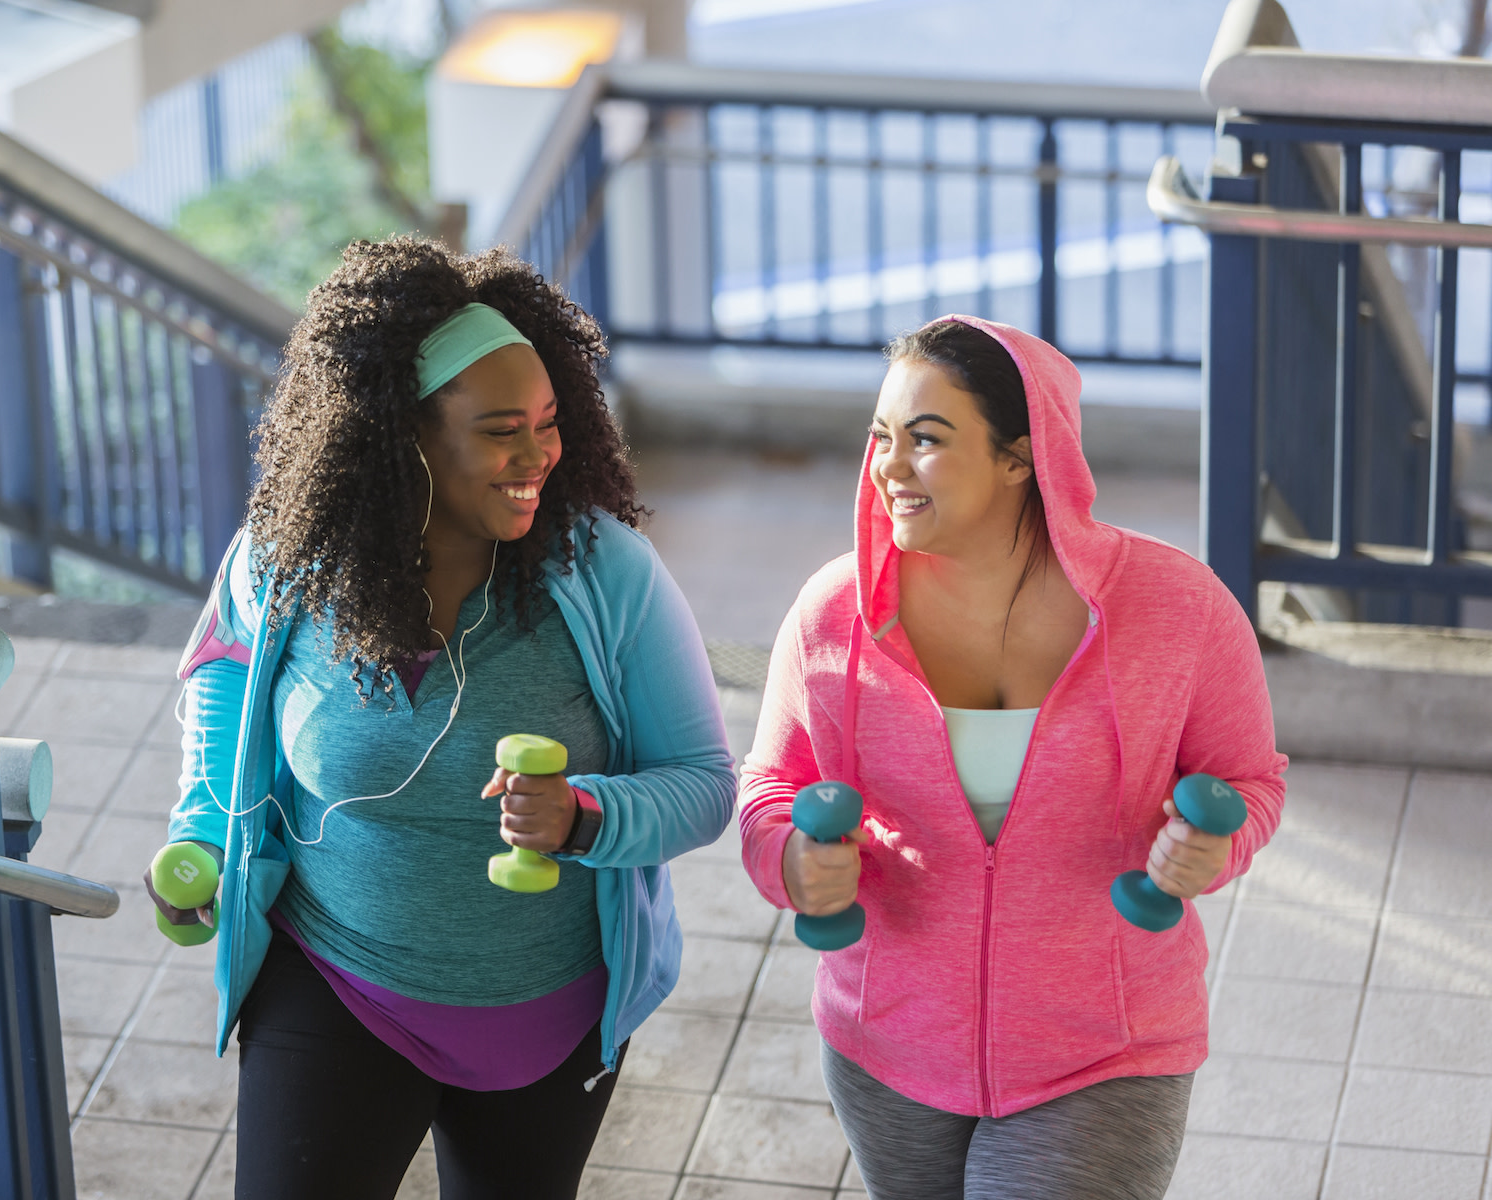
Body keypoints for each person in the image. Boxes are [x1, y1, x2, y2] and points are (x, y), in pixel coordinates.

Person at [149, 238, 735, 1199]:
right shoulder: (291, 560)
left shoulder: (608, 574)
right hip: (337, 982)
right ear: (402, 435)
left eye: (550, 423)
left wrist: (586, 817)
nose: (540, 454)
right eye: (504, 429)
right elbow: (224, 672)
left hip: (548, 1016)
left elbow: (706, 785)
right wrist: (203, 829)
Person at [738, 315, 1287, 1200]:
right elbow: (770, 787)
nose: (887, 466)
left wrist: (1217, 847)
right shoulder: (831, 615)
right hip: (887, 1045)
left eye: (926, 439)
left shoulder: (1180, 611)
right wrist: (790, 861)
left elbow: (1252, 780)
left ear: (1021, 459)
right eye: (881, 437)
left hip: (1105, 1050)